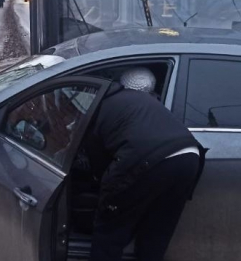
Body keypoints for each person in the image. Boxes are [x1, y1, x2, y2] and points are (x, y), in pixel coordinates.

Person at [84, 67, 203, 261]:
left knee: (109, 229)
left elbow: (102, 169)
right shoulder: (142, 101)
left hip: (150, 160)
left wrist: (106, 199)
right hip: (189, 157)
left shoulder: (96, 110)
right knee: (157, 231)